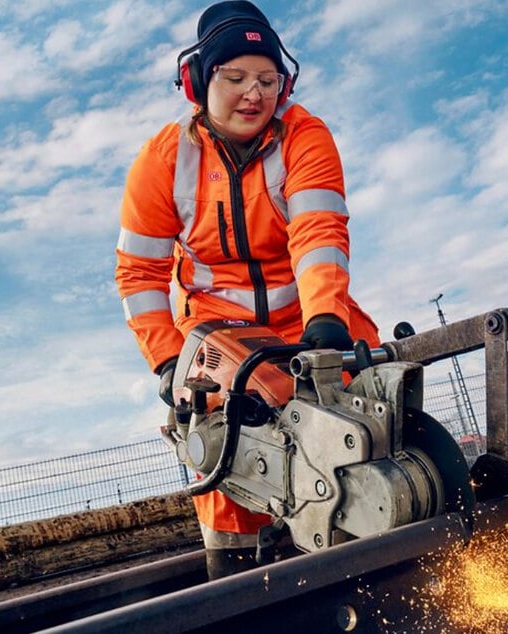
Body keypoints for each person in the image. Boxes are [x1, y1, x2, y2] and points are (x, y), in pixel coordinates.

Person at [115, 0, 379, 580]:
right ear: (198, 82)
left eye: (266, 80)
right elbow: (139, 274)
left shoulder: (305, 137)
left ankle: (376, 541)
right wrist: (165, 360)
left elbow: (318, 233)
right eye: (234, 79)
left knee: (367, 403)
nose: (252, 94)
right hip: (215, 333)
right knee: (224, 439)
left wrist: (327, 324)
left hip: (308, 317)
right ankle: (237, 577)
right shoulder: (163, 160)